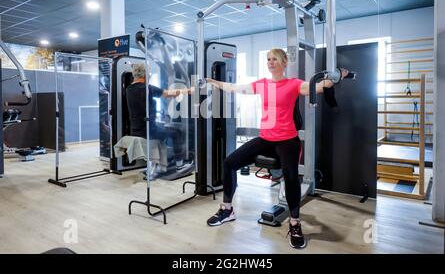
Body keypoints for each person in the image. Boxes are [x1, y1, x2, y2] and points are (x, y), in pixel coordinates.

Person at [205, 48, 349, 249]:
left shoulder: (293, 84)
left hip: (287, 140)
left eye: (274, 59)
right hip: (265, 138)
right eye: (268, 59)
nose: (270, 62)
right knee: (229, 163)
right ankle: (227, 209)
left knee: (291, 176)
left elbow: (318, 86)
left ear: (284, 63)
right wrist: (215, 83)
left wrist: (336, 77)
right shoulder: (262, 84)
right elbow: (236, 87)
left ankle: (295, 223)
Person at [125, 63, 193, 171]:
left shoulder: (129, 89)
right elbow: (169, 93)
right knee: (177, 133)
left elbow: (143, 106)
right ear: (146, 75)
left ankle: (160, 163)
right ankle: (179, 165)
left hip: (136, 130)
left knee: (166, 132)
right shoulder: (147, 88)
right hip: (149, 131)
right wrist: (188, 91)